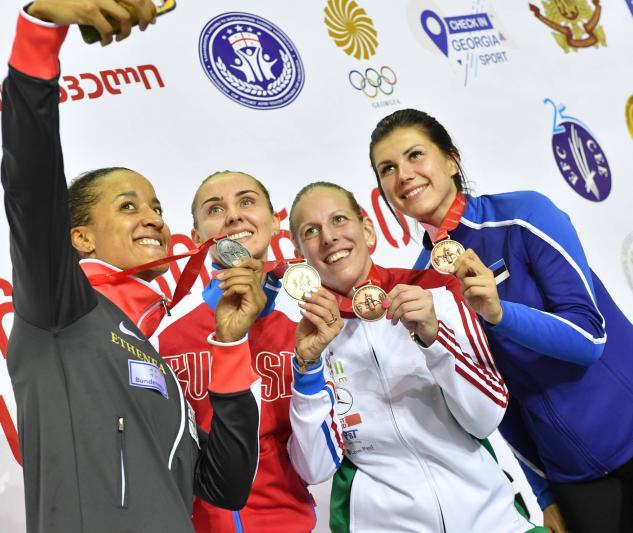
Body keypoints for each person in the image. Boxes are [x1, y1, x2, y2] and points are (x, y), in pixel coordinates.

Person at [1, 3, 262, 532]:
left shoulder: (147, 351)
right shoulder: (62, 309)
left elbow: (226, 485)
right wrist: (40, 33)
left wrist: (232, 345)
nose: (154, 220)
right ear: (78, 237)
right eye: (128, 206)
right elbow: (31, 185)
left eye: (157, 208)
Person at [369, 108, 633, 533]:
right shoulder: (424, 282)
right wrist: (544, 493)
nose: (404, 175)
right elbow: (496, 400)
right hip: (573, 477)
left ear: (451, 160)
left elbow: (589, 338)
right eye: (388, 168)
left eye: (415, 155)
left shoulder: (523, 215)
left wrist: (499, 314)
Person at [286, 181, 541, 532]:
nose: (329, 237)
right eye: (311, 231)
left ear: (367, 230)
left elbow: (485, 418)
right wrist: (308, 369)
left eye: (339, 220)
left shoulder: (436, 290)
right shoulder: (307, 340)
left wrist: (435, 340)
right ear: (300, 256)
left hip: (491, 520)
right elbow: (314, 469)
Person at [155, 171, 342, 532]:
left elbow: (317, 469)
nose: (233, 215)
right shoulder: (165, 336)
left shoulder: (309, 325)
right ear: (197, 238)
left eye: (246, 201)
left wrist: (308, 368)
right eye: (214, 209)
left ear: (274, 223)